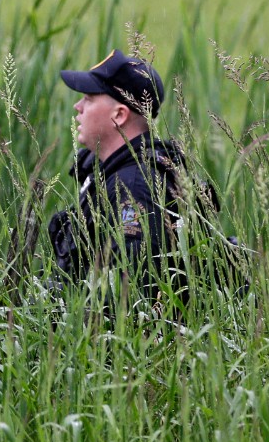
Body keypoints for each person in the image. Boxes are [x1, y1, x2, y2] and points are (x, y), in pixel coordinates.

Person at [47, 49, 196, 311]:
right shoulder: (111, 174)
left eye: (89, 98)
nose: (78, 107)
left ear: (119, 115)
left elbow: (133, 294)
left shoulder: (134, 186)